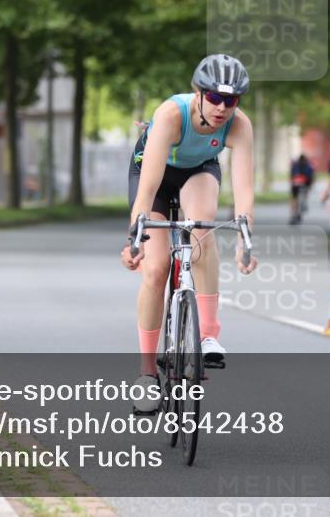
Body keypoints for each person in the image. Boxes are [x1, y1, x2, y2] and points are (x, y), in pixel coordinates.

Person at [120, 54, 258, 411]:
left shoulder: (239, 125)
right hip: (155, 174)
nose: (222, 108)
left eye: (231, 100)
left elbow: (244, 195)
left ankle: (209, 335)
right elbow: (147, 188)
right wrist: (135, 237)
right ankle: (147, 374)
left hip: (198, 171)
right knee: (155, 268)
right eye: (214, 98)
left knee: (202, 229)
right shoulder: (171, 113)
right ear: (198, 93)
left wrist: (246, 241)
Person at [289, 154, 314, 224]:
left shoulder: (295, 164)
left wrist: (291, 182)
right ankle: (299, 213)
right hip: (305, 184)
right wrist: (310, 186)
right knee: (303, 198)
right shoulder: (308, 165)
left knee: (294, 199)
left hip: (295, 184)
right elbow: (311, 176)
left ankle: (293, 215)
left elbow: (291, 175)